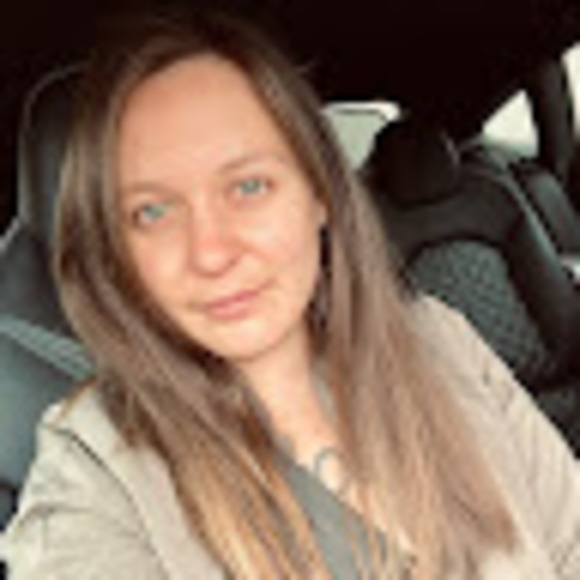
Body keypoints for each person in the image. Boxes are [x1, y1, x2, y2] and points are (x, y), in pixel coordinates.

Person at [1, 10, 579, 580]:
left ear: (319, 193)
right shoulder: (97, 469)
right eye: (151, 212)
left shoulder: (438, 340)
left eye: (249, 186)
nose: (211, 252)